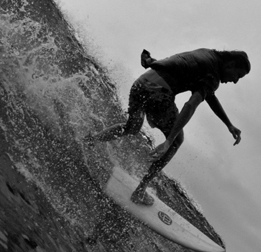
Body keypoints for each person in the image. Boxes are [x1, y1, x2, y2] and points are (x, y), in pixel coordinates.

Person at [89, 47, 250, 205]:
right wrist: (169, 140)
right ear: (231, 64)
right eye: (238, 75)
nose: (235, 80)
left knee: (132, 127)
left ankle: (91, 140)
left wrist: (228, 124)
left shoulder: (208, 55)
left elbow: (206, 93)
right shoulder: (213, 76)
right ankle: (140, 190)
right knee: (176, 140)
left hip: (141, 84)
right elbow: (190, 106)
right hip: (156, 93)